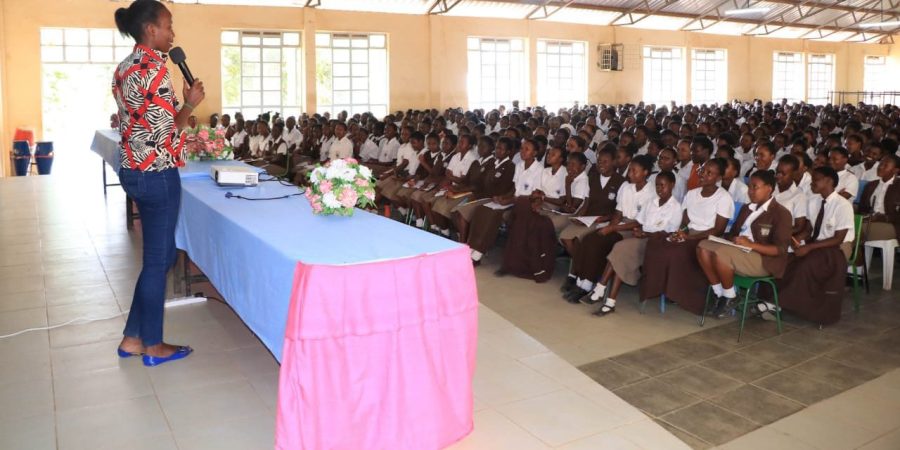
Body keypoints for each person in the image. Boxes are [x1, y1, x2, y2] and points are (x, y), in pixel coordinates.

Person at [113, 0, 204, 366]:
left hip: (133, 169)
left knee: (161, 257)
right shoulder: (153, 69)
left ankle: (133, 338)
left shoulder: (125, 66)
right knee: (157, 261)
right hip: (156, 174)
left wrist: (181, 130)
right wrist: (190, 105)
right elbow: (166, 131)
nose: (172, 33)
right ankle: (153, 345)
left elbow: (142, 126)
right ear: (151, 29)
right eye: (168, 25)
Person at [641, 159, 734, 315]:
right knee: (657, 245)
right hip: (689, 234)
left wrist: (689, 237)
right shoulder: (692, 194)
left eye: (709, 173)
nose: (703, 174)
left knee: (675, 252)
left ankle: (680, 293)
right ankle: (659, 287)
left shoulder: (724, 198)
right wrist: (680, 232)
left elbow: (718, 230)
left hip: (706, 239)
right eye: (703, 170)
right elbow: (684, 221)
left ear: (718, 178)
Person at [696, 170, 793, 318]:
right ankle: (720, 293)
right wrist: (725, 240)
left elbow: (780, 250)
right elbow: (733, 232)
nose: (751, 191)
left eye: (755, 187)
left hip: (763, 260)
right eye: (749, 187)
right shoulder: (747, 208)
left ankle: (730, 297)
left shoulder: (781, 213)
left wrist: (751, 245)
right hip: (739, 251)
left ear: (769, 188)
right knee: (703, 246)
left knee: (722, 253)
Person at [586, 171, 682, 316]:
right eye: (657, 186)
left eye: (663, 186)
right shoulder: (652, 202)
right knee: (621, 255)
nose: (659, 189)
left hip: (656, 243)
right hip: (642, 237)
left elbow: (668, 234)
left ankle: (600, 289)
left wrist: (645, 234)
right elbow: (640, 221)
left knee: (621, 249)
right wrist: (639, 231)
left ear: (672, 185)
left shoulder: (675, 207)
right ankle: (609, 301)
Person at [566, 155, 656, 303]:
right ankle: (582, 280)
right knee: (590, 239)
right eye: (630, 171)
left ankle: (588, 285)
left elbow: (638, 222)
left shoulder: (651, 193)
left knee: (599, 243)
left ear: (645, 172)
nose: (630, 174)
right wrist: (611, 226)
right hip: (619, 224)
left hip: (634, 229)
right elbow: (618, 213)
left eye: (634, 171)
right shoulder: (626, 187)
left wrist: (613, 229)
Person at [777, 166, 855, 325]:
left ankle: (795, 306)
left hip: (838, 248)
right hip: (817, 244)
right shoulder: (814, 201)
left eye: (816, 180)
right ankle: (783, 303)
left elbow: (838, 238)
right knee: (787, 260)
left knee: (807, 265)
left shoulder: (842, 205)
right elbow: (810, 229)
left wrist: (809, 248)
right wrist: (797, 240)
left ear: (829, 181)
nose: (812, 183)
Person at [858, 154, 899, 243]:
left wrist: (883, 218)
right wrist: (867, 215)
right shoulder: (871, 185)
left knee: (854, 231)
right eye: (880, 164)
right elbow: (862, 207)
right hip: (869, 221)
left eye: (885, 165)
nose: (880, 167)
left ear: (895, 170)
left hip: (892, 225)